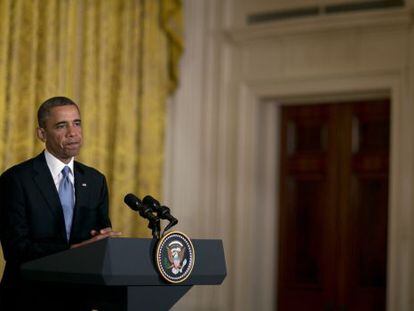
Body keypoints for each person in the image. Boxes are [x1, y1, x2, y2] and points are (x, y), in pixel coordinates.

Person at [0, 96, 121, 310]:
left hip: (79, 298)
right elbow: (15, 249)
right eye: (61, 126)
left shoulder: (95, 180)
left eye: (77, 123)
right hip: (28, 297)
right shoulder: (16, 179)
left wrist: (105, 241)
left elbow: (99, 239)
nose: (73, 133)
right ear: (42, 134)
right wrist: (73, 250)